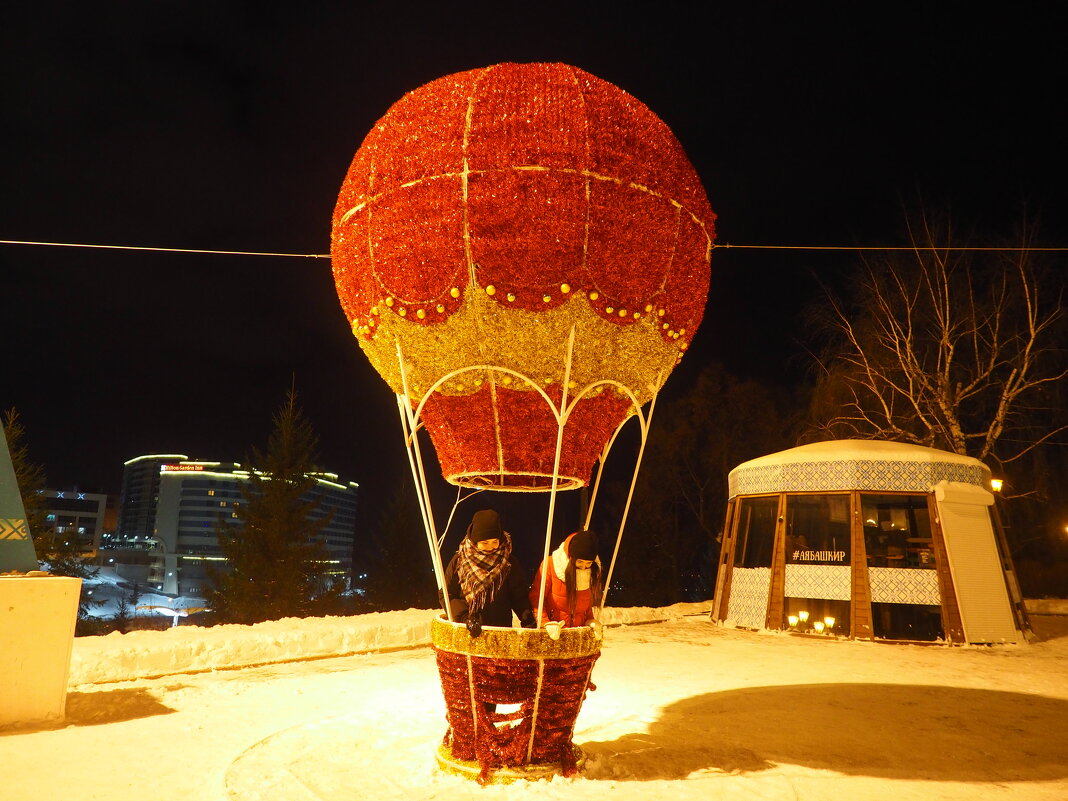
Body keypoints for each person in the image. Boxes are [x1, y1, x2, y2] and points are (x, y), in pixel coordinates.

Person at [443, 509, 535, 636]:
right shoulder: (460, 561)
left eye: (495, 542)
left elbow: (518, 595)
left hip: (500, 632)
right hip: (467, 633)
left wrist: (527, 617)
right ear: (475, 541)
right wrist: (465, 618)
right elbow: (447, 594)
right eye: (485, 543)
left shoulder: (508, 562)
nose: (490, 547)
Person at [529, 529, 602, 628]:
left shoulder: (591, 571)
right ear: (571, 557)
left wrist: (590, 620)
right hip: (553, 631)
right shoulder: (551, 564)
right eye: (580, 562)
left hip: (577, 634)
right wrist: (545, 623)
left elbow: (585, 603)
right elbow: (537, 598)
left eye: (588, 563)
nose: (584, 567)